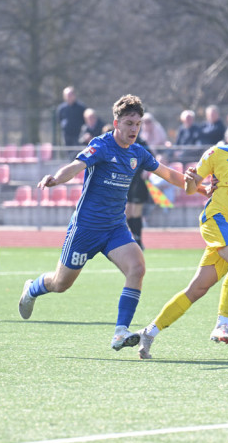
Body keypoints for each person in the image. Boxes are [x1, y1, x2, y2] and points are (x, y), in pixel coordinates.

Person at [16, 94, 188, 351]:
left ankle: (120, 332)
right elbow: (76, 166)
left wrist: (200, 187)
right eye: (129, 123)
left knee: (137, 268)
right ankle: (32, 289)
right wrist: (56, 179)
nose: (134, 129)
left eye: (138, 124)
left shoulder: (138, 152)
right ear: (116, 122)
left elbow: (167, 173)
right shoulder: (102, 145)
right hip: (85, 229)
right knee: (61, 284)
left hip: (115, 228)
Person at [136, 110, 228, 359]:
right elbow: (190, 187)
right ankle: (222, 324)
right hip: (215, 219)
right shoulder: (217, 154)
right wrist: (189, 180)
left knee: (196, 290)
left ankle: (149, 332)